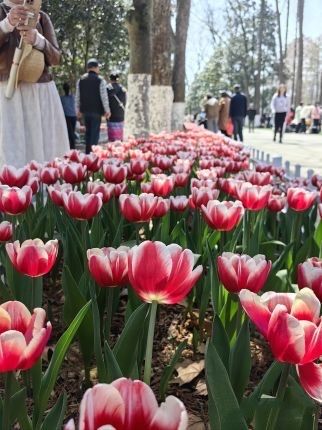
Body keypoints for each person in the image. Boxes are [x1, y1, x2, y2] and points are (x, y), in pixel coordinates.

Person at [0, 0, 69, 167]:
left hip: (41, 93)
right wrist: (6, 25)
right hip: (7, 93)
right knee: (9, 150)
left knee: (45, 149)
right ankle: (12, 191)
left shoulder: (42, 17)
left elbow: (56, 58)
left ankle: (45, 190)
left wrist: (38, 39)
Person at [76, 58, 110, 154]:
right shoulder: (100, 80)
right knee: (94, 135)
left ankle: (87, 155)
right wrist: (107, 110)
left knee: (87, 134)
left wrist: (77, 110)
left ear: (88, 68)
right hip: (96, 112)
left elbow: (77, 96)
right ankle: (93, 156)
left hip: (85, 112)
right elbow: (104, 97)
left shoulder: (81, 80)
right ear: (95, 68)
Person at [106, 72, 126, 141]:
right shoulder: (123, 88)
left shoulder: (107, 88)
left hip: (111, 114)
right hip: (120, 114)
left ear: (110, 79)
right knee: (120, 137)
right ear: (118, 79)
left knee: (112, 138)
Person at [60, 83, 76, 149]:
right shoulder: (73, 97)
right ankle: (72, 146)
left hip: (67, 117)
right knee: (72, 131)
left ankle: (71, 146)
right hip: (73, 116)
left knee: (69, 132)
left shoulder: (62, 98)